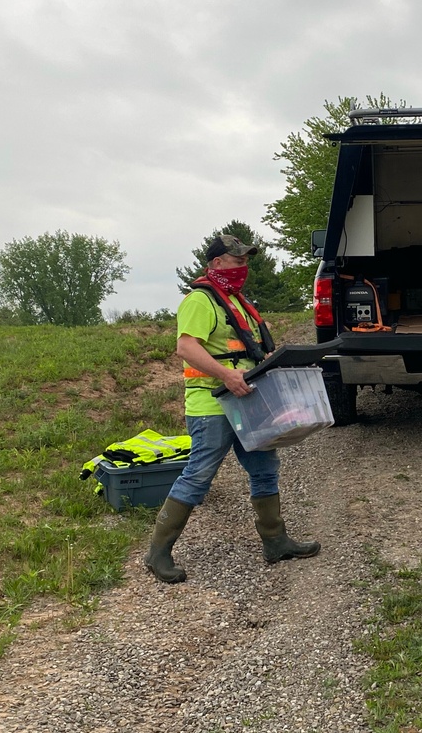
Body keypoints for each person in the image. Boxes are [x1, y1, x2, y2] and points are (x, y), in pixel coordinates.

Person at [144, 234, 320, 583]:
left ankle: (276, 542)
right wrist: (226, 374)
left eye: (246, 260)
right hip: (211, 403)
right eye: (237, 260)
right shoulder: (200, 300)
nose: (244, 266)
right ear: (216, 264)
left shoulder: (237, 301)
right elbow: (186, 348)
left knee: (264, 469)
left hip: (247, 400)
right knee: (198, 477)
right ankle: (157, 553)